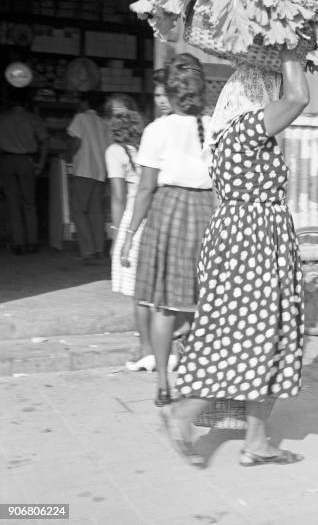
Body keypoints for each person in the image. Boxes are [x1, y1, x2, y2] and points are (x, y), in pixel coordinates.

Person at [161, 49, 309, 468]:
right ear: (257, 94)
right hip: (254, 245)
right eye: (270, 93)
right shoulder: (247, 127)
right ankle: (182, 414)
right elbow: (299, 98)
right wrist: (292, 53)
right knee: (246, 338)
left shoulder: (224, 132)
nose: (276, 101)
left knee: (268, 337)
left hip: (244, 240)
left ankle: (257, 441)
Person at [120, 53, 215, 406]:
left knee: (163, 307)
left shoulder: (157, 130)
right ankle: (196, 376)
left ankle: (163, 383)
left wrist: (129, 234)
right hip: (207, 213)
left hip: (168, 214)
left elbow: (145, 189)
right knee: (202, 304)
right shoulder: (216, 126)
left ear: (171, 93)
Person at [104, 93, 166, 372]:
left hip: (133, 218)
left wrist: (119, 234)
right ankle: (161, 348)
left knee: (138, 294)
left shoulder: (114, 152)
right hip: (154, 217)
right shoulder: (144, 149)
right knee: (154, 291)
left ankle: (146, 351)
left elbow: (118, 197)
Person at [0, 88, 48, 254]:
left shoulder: (3, 119)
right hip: (27, 161)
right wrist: (41, 163)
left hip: (6, 161)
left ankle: (18, 244)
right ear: (26, 103)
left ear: (11, 103)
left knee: (13, 204)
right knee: (29, 204)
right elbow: (45, 142)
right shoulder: (32, 118)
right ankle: (32, 242)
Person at [67, 91, 109, 264]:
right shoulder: (103, 122)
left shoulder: (80, 118)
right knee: (96, 212)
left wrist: (68, 155)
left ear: (85, 103)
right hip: (101, 172)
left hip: (84, 170)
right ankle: (100, 250)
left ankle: (88, 251)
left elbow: (76, 141)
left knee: (79, 211)